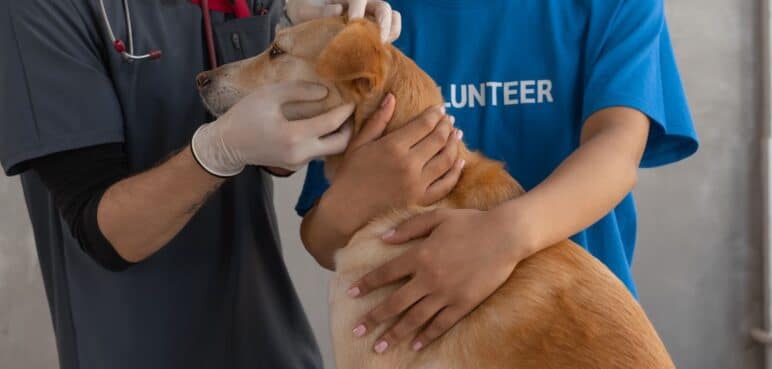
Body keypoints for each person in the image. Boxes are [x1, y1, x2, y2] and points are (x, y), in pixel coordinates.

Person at [0, 1, 460, 368]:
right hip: (138, 344)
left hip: (269, 342)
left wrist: (310, 36)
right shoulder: (40, 10)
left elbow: (278, 156)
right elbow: (106, 232)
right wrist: (217, 152)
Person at [297, 0, 699, 355]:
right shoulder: (373, 17)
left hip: (574, 336)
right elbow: (321, 239)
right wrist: (356, 195)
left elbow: (617, 151)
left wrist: (503, 237)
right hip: (422, 345)